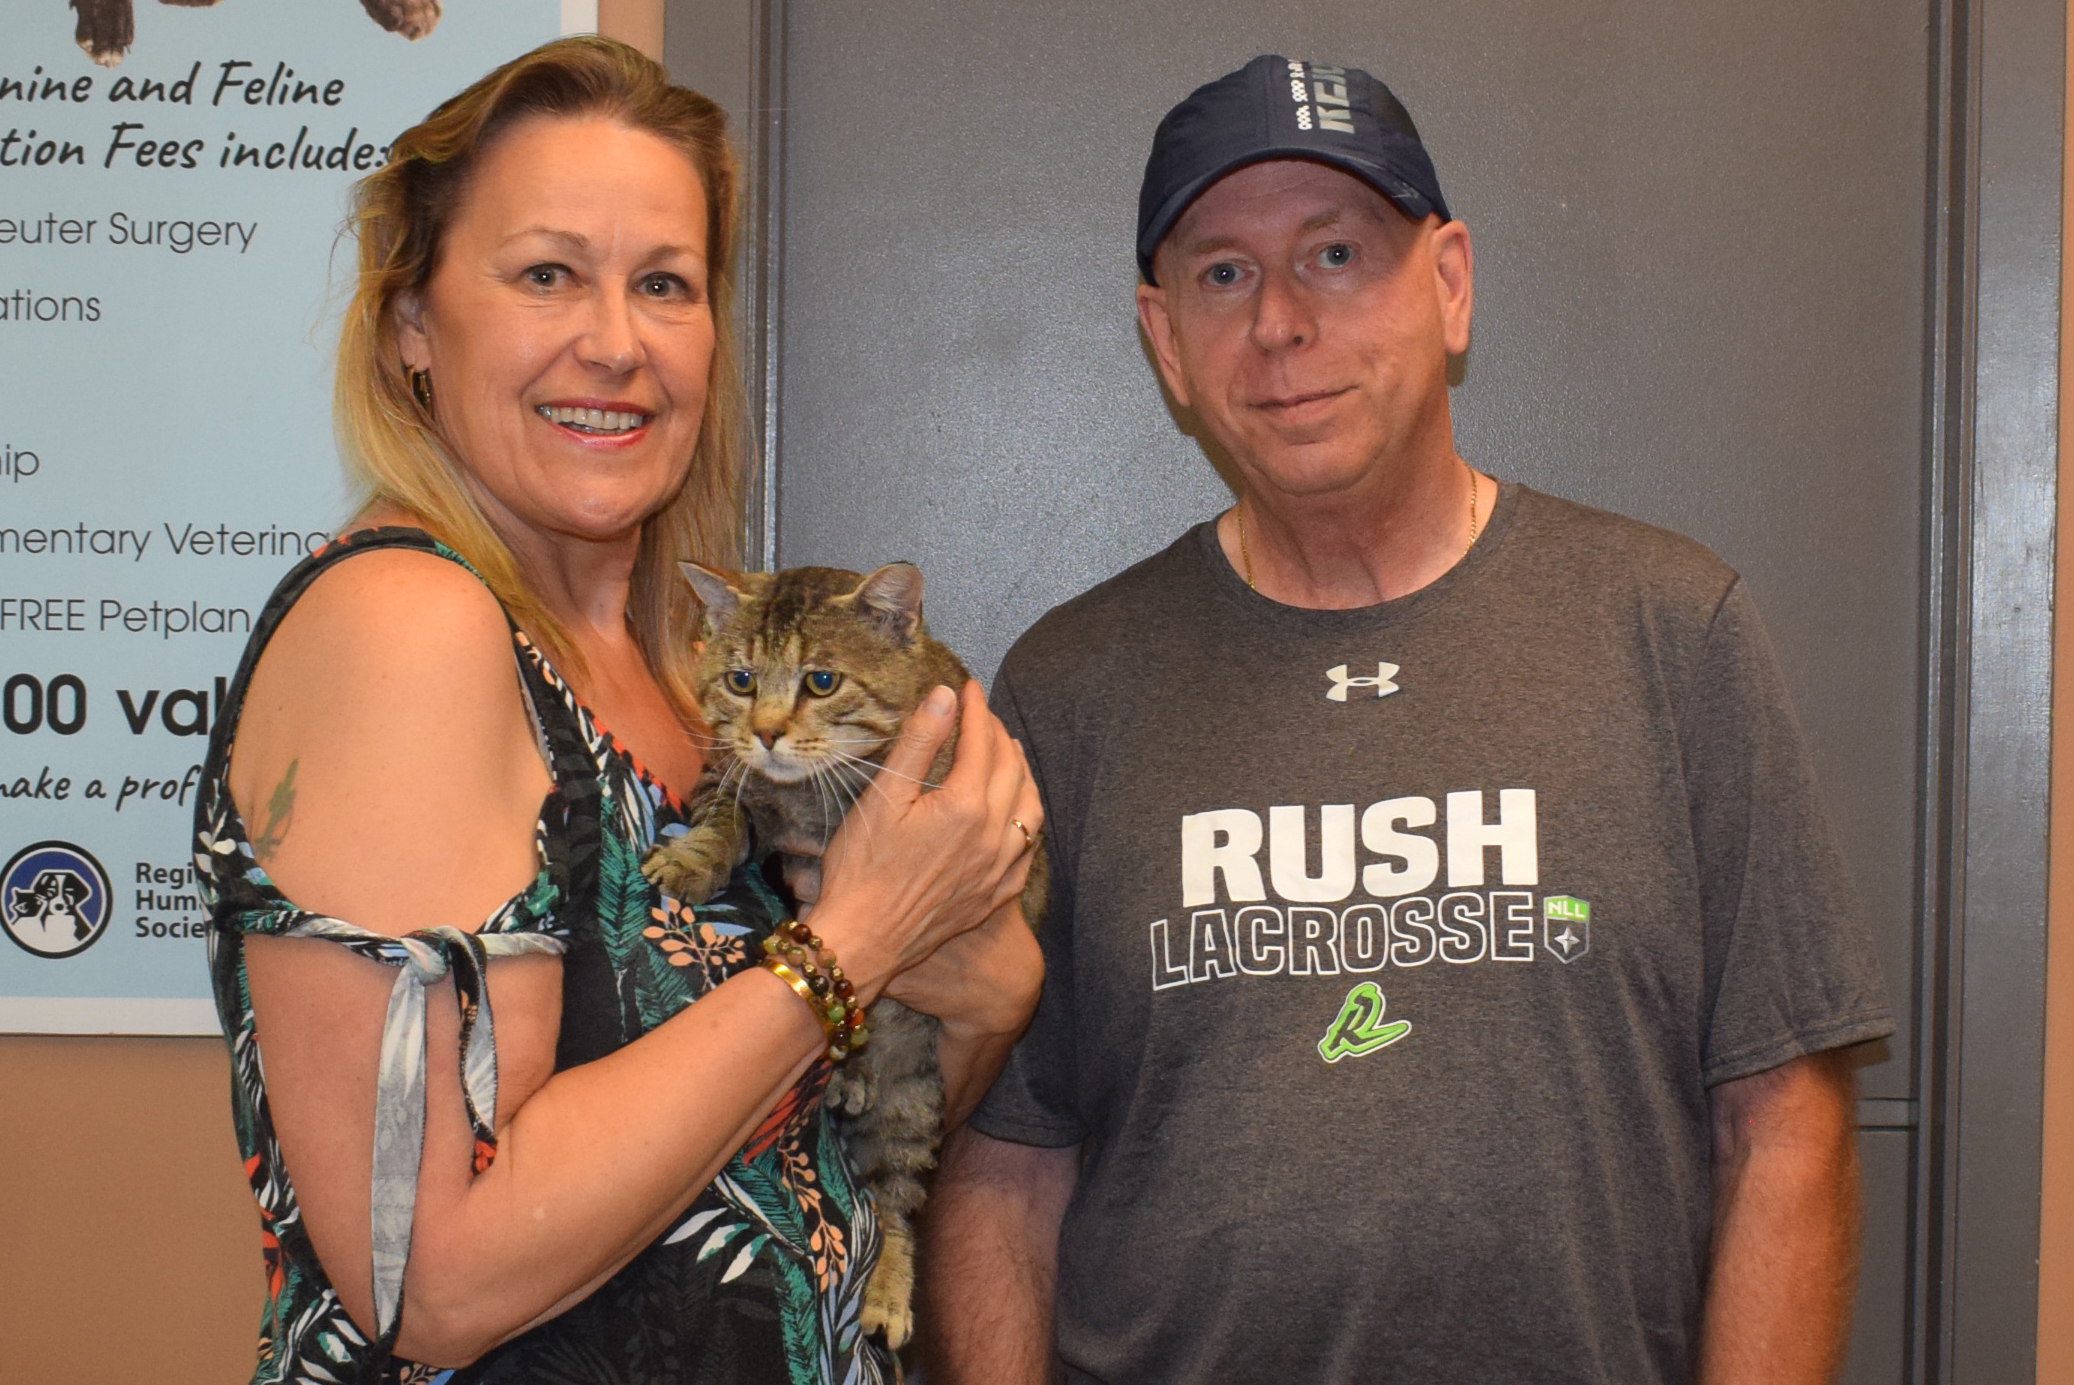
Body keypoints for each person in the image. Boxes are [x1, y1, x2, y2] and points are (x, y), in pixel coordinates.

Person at [920, 54, 1894, 1385]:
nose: (1279, 322)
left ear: (1448, 283)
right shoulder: (1070, 687)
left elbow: (1783, 1121)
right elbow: (1005, 1164)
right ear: (1165, 339)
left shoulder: (1672, 632)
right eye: (1223, 274)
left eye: (1335, 255)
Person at [196, 37, 1043, 1385]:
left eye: (664, 283)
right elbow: (435, 1277)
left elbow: (799, 1146)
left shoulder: (677, 668)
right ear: (411, 324)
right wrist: (855, 938)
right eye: (547, 274)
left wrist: (985, 992)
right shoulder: (409, 625)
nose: (615, 342)